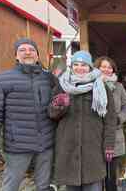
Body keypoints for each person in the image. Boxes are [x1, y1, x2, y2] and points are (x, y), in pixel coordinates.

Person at [49, 51, 117, 191]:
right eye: (76, 64)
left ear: (90, 67)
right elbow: (51, 114)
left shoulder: (101, 87)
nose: (80, 68)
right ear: (71, 66)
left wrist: (109, 145)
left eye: (84, 65)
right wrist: (59, 105)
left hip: (93, 150)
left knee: (94, 186)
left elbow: (110, 120)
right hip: (68, 148)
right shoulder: (62, 86)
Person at [0, 38, 55, 191]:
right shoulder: (2, 80)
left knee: (44, 186)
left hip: (46, 144)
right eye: (22, 50)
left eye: (32, 49)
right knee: (10, 186)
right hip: (18, 146)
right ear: (16, 56)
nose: (28, 52)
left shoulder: (48, 78)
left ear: (37, 55)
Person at [94, 56, 126, 190]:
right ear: (97, 68)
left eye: (109, 67)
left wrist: (119, 118)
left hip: (114, 136)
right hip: (95, 136)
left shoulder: (118, 87)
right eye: (103, 66)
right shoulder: (90, 85)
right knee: (96, 176)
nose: (106, 69)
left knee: (111, 176)